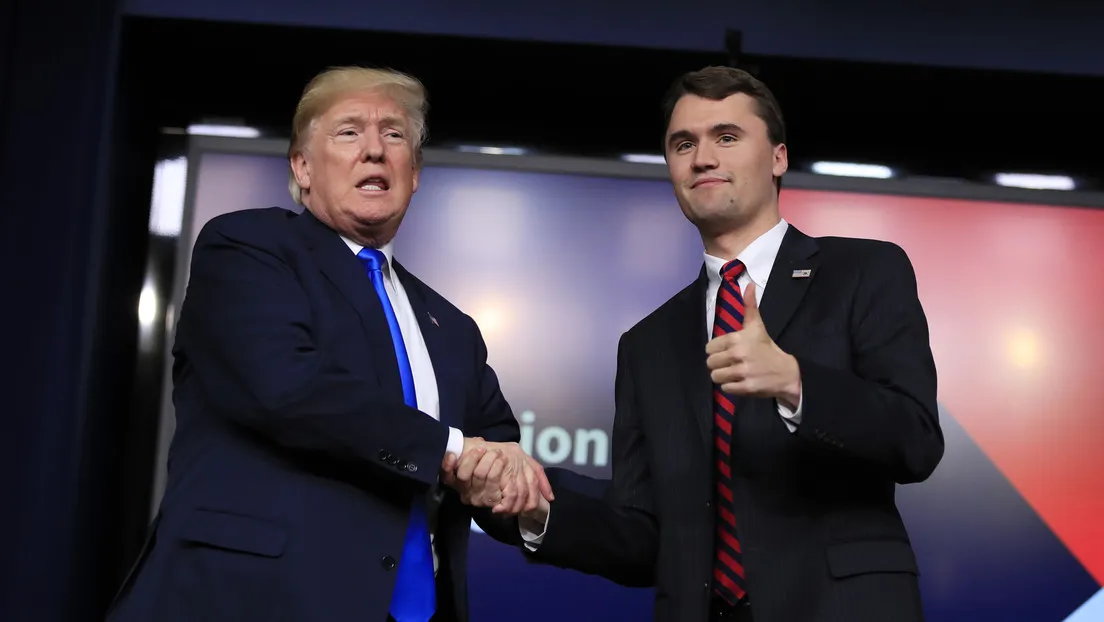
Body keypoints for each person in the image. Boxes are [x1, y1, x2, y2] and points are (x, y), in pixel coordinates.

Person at [451, 66, 945, 622]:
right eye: (683, 144)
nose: (702, 157)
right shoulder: (647, 344)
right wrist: (536, 509)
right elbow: (642, 535)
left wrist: (794, 382)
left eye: (727, 137)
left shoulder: (863, 271)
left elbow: (916, 440)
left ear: (778, 157)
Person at [104, 66, 552, 622]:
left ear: (415, 174)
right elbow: (286, 389)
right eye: (348, 132)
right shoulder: (248, 247)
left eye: (394, 135)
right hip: (250, 602)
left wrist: (540, 495)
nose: (374, 151)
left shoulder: (452, 327)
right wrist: (451, 450)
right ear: (302, 168)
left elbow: (502, 456)